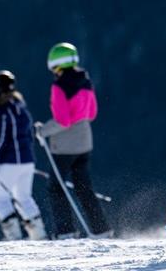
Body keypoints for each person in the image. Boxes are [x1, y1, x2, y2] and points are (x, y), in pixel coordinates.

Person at [34, 42, 112, 238]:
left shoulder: (59, 86)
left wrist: (43, 131)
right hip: (85, 142)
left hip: (64, 146)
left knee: (56, 187)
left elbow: (63, 120)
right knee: (84, 188)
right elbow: (92, 113)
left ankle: (66, 231)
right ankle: (101, 229)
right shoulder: (85, 81)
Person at [0, 70, 47, 240]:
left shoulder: (2, 111)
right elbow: (28, 134)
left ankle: (14, 238)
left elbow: (0, 138)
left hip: (10, 162)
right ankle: (39, 235)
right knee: (23, 197)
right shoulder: (21, 107)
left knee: (0, 201)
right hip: (27, 161)